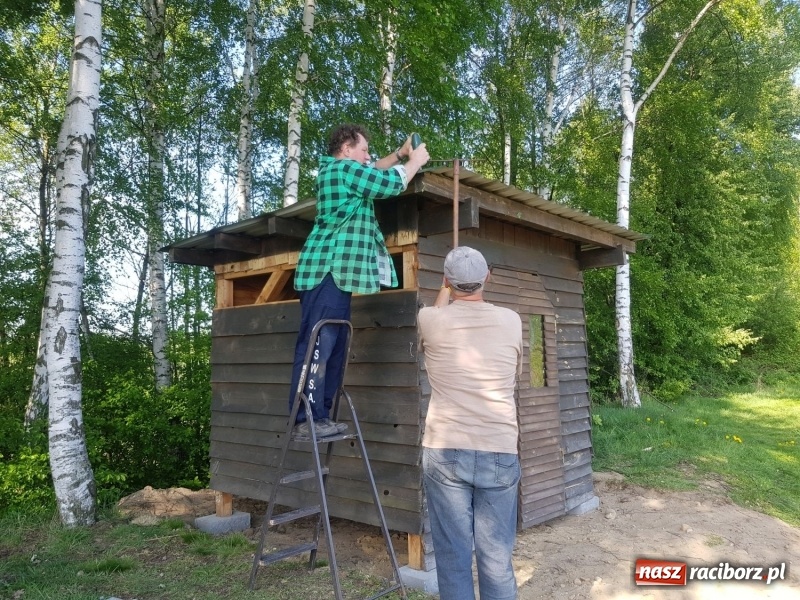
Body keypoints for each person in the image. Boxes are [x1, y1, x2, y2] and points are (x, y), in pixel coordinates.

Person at [289, 124, 430, 438]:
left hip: (337, 277)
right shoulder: (340, 171)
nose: (369, 156)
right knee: (318, 347)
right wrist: (414, 162)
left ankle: (320, 418)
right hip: (325, 272)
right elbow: (386, 182)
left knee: (334, 347)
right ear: (346, 149)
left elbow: (374, 168)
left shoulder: (349, 172)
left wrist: (400, 153)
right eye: (364, 150)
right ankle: (305, 420)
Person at [417, 246, 523, 600]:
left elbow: (438, 310)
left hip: (444, 448)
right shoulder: (511, 320)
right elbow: (515, 375)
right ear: (487, 278)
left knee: (452, 557)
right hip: (498, 446)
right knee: (496, 559)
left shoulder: (430, 320)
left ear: (446, 282)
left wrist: (446, 288)